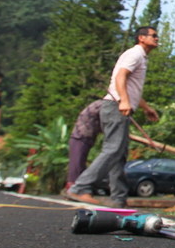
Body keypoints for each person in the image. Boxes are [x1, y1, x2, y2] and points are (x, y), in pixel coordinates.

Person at [62, 27, 160, 208]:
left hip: (119, 106)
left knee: (119, 153)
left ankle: (118, 198)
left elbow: (132, 88)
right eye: (153, 36)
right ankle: (80, 187)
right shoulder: (135, 54)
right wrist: (123, 101)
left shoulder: (141, 57)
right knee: (113, 149)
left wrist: (146, 107)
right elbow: (121, 77)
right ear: (141, 38)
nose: (157, 39)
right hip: (115, 106)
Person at [65, 98, 106, 192]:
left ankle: (77, 187)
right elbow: (106, 125)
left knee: (79, 163)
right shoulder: (101, 106)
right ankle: (73, 187)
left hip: (85, 137)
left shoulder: (98, 105)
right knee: (77, 164)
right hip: (80, 136)